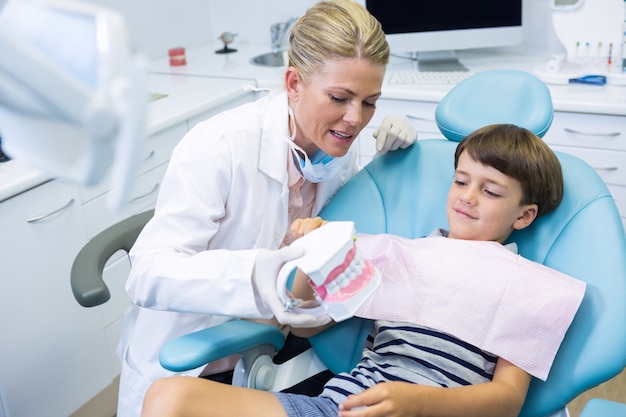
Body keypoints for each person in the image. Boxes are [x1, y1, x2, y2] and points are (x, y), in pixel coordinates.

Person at [139, 123, 566, 417]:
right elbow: (310, 325)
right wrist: (312, 253)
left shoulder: (527, 287)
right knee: (167, 396)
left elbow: (508, 400)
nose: (468, 196)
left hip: (428, 411)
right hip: (336, 406)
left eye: (490, 191)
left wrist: (417, 403)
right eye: (460, 181)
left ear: (525, 216)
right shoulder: (404, 254)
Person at [117, 1, 418, 415]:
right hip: (193, 362)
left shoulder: (337, 149)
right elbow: (146, 275)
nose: (355, 119)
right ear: (293, 83)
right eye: (340, 98)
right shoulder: (220, 146)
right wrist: (265, 274)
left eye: (370, 102)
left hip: (269, 350)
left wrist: (386, 168)